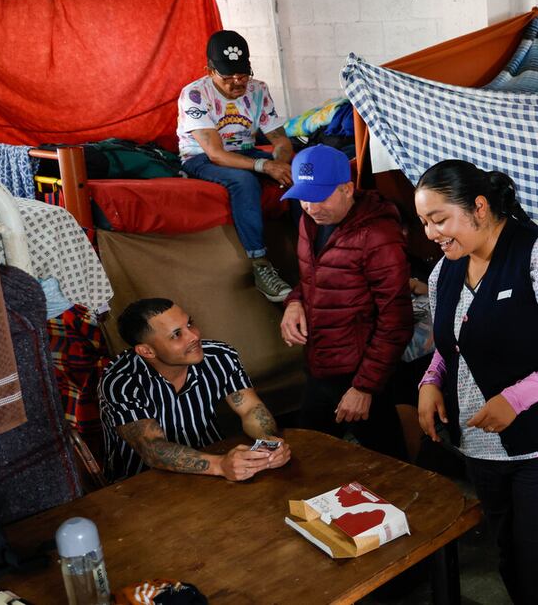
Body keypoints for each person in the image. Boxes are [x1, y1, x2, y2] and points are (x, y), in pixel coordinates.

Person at [414, 159, 538, 605]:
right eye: (424, 222)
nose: (430, 233)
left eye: (439, 219)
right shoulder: (446, 271)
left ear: (479, 207)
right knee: (511, 562)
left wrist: (516, 399)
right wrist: (430, 380)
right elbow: (452, 344)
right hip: (483, 447)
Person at [279, 145, 412, 461]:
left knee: (389, 465)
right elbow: (315, 278)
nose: (311, 206)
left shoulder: (379, 236)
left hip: (360, 374)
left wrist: (364, 388)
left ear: (348, 189)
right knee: (310, 458)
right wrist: (294, 302)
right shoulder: (310, 221)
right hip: (319, 366)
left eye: (321, 196)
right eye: (304, 197)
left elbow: (397, 319)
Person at [98, 298, 291, 482]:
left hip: (213, 460)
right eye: (176, 334)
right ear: (147, 351)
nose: (194, 336)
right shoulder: (121, 381)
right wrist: (220, 465)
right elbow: (153, 449)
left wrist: (268, 443)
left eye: (189, 324)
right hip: (142, 483)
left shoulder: (219, 356)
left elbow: (250, 408)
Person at [176, 29, 294, 302]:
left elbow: (280, 139)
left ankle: (313, 251)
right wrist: (264, 167)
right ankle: (260, 265)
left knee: (299, 170)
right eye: (227, 78)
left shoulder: (258, 90)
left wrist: (281, 162)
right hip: (201, 157)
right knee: (243, 181)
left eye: (242, 75)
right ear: (209, 71)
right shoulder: (194, 94)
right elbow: (216, 154)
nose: (236, 83)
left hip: (244, 150)